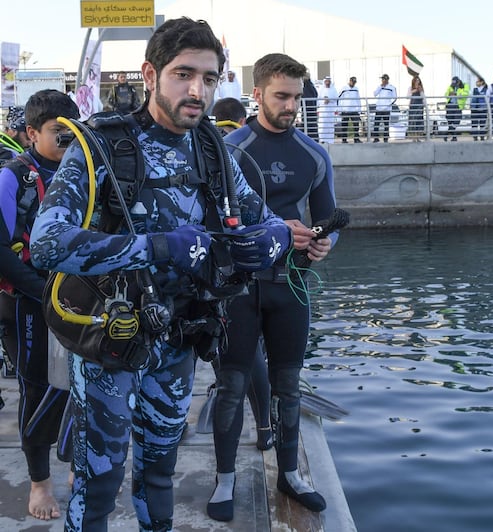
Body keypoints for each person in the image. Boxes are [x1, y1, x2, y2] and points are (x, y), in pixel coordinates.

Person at [29, 17, 291, 531]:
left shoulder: (214, 150)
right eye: (183, 74)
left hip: (178, 340)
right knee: (98, 480)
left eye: (210, 78)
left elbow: (269, 220)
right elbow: (46, 244)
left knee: (160, 475)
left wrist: (274, 240)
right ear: (150, 74)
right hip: (110, 341)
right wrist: (156, 247)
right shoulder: (100, 148)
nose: (198, 90)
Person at [208, 51, 338, 520]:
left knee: (288, 385)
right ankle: (225, 478)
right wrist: (273, 228)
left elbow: (328, 219)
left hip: (292, 285)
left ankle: (289, 473)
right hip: (239, 287)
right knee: (231, 384)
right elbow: (211, 220)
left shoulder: (314, 154)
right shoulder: (230, 150)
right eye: (281, 96)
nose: (291, 106)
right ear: (257, 93)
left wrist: (325, 242)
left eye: (297, 98)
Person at [0, 89, 79, 521]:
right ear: (31, 133)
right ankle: (40, 481)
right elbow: (1, 251)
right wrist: (42, 291)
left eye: (74, 134)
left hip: (80, 301)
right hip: (29, 303)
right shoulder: (14, 177)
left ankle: (75, 465)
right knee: (38, 389)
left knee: (85, 387)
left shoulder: (85, 171)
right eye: (58, 135)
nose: (69, 143)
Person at [337, 76, 362, 143]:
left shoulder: (356, 89)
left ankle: (356, 139)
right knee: (345, 126)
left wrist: (359, 109)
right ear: (350, 81)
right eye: (352, 82)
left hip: (354, 110)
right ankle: (344, 139)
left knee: (356, 125)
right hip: (345, 110)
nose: (353, 83)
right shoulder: (344, 89)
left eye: (354, 82)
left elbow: (358, 99)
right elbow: (339, 99)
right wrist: (339, 110)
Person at [373, 74, 397, 143]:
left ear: (386, 80)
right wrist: (380, 87)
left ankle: (385, 138)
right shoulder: (379, 86)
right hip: (379, 108)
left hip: (387, 109)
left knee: (386, 124)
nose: (382, 80)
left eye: (383, 79)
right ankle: (376, 138)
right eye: (382, 79)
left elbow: (394, 97)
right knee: (376, 124)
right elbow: (375, 94)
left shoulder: (392, 87)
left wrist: (388, 104)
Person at [317, 76, 338, 144]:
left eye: (329, 81)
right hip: (323, 110)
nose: (327, 83)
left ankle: (330, 140)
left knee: (330, 125)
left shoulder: (333, 89)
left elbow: (336, 99)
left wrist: (330, 100)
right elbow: (318, 100)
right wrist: (324, 101)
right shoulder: (321, 89)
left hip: (330, 110)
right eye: (326, 81)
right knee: (322, 125)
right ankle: (322, 139)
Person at [407, 76, 426, 141]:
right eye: (416, 80)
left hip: (419, 106)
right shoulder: (410, 88)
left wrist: (420, 91)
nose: (417, 82)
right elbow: (407, 96)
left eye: (418, 80)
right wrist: (415, 90)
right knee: (413, 121)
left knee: (419, 121)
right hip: (413, 106)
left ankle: (418, 137)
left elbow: (423, 97)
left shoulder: (421, 88)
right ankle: (413, 137)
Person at [301, 71, 319, 141]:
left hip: (309, 111)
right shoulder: (310, 86)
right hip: (310, 110)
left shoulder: (307, 86)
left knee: (309, 126)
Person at [470, 76, 488, 141]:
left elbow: (488, 99)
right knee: (474, 123)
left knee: (482, 123)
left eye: (478, 81)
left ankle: (482, 136)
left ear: (482, 82)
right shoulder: (474, 89)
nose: (476, 83)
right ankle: (475, 137)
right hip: (474, 109)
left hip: (482, 109)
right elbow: (471, 98)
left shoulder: (486, 90)